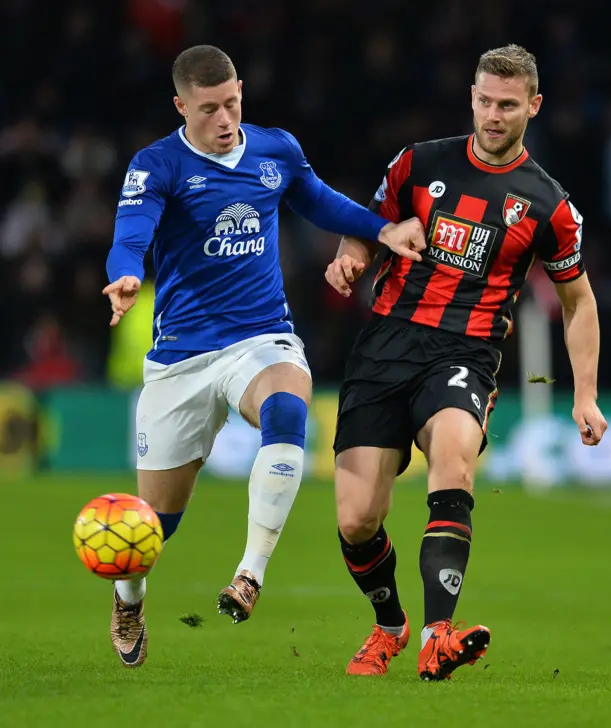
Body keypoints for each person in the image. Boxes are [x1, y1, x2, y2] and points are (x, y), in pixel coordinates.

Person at [103, 44, 425, 668]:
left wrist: (381, 230)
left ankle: (250, 573)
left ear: (242, 92)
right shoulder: (158, 165)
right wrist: (124, 275)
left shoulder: (275, 149)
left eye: (232, 104)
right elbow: (131, 233)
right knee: (151, 530)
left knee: (286, 408)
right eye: (208, 109)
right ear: (181, 107)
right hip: (183, 357)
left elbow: (320, 201)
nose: (224, 120)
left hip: (260, 337)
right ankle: (128, 599)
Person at [325, 44, 608, 682]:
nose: (493, 115)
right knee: (356, 519)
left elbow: (579, 301)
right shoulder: (418, 165)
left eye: (508, 105)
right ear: (472, 96)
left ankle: (437, 635)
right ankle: (391, 626)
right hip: (386, 345)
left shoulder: (548, 205)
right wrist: (352, 258)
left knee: (453, 455)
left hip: (466, 353)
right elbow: (367, 226)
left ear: (534, 107)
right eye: (484, 100)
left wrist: (584, 394)